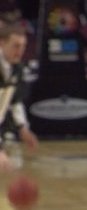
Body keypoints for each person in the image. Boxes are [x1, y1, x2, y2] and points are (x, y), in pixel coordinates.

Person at [0, 26, 38, 172]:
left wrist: (23, 129)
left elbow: (15, 101)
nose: (20, 51)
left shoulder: (17, 68)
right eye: (16, 45)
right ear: (2, 43)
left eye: (23, 46)